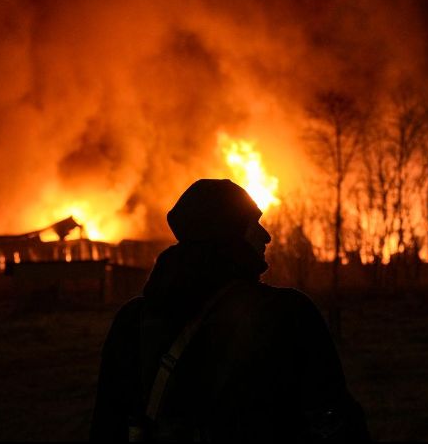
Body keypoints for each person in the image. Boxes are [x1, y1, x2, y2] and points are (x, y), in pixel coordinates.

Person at [90, 179, 370, 443]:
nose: (266, 236)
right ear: (226, 232)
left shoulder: (132, 321)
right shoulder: (287, 313)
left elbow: (107, 427)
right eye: (252, 224)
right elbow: (335, 421)